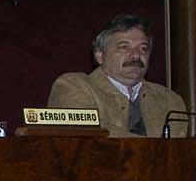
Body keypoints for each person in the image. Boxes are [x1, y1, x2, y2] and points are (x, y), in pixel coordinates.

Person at [47, 13, 188, 137]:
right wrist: (157, 149)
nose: (136, 55)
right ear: (100, 55)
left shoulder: (170, 99)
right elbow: (90, 137)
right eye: (124, 47)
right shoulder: (73, 86)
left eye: (143, 48)